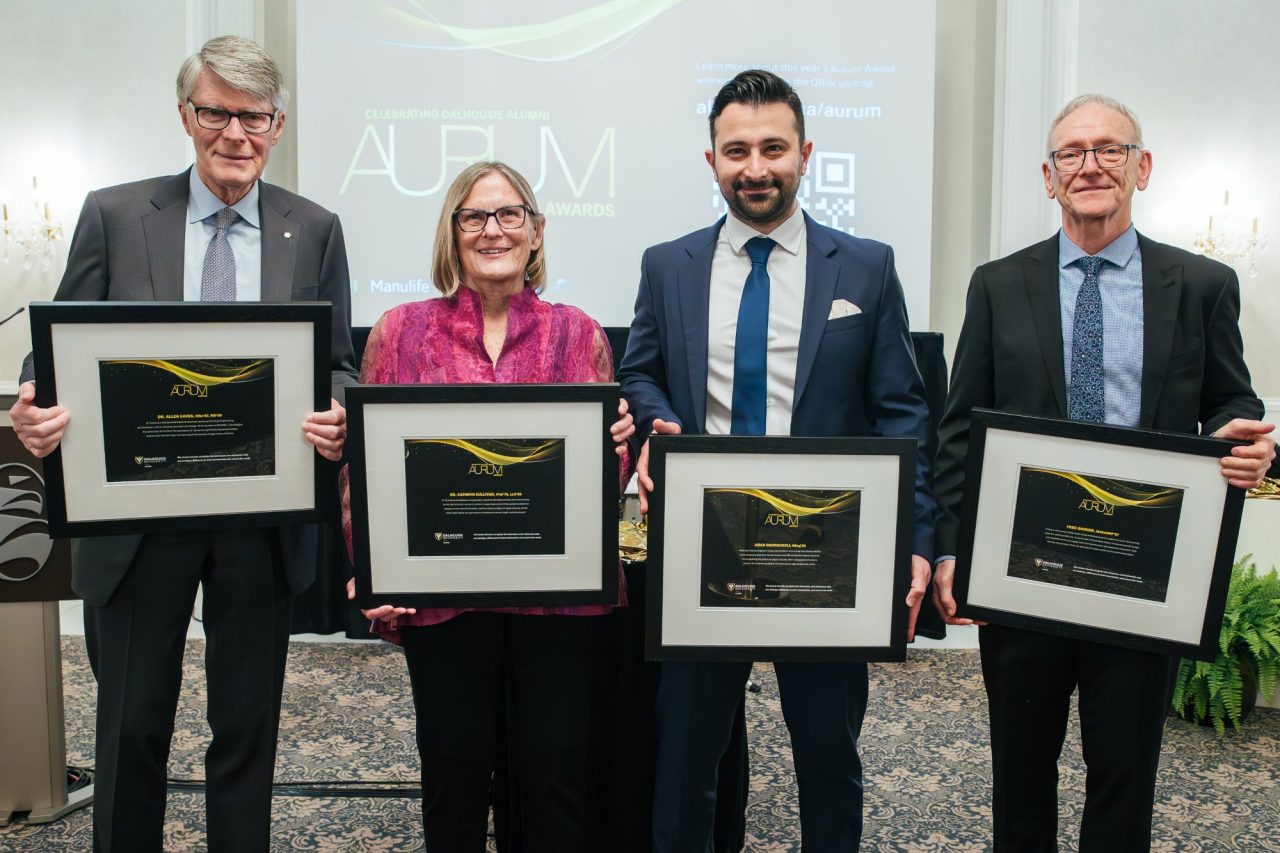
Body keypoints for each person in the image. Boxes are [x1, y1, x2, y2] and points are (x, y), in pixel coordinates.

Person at [8, 36, 357, 853]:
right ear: (185, 115)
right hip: (136, 521)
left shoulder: (314, 230)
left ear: (276, 126)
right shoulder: (115, 214)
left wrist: (337, 411)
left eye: (253, 117)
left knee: (246, 727)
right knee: (131, 725)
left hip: (260, 524)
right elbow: (56, 344)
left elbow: (337, 360)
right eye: (216, 112)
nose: (234, 133)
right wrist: (34, 397)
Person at [932, 94, 1276, 852]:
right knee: (1020, 771)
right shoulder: (997, 285)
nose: (1091, 164)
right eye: (1072, 153)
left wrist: (1243, 442)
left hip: (1140, 580)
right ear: (1049, 179)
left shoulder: (1204, 285)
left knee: (1124, 773)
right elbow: (959, 429)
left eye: (1109, 149)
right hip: (1022, 576)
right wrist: (955, 551)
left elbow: (1232, 400)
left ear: (1141, 167)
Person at [617, 69, 936, 851]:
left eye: (772, 148)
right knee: (686, 753)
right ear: (712, 160)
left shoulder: (864, 266)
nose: (754, 166)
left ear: (805, 154)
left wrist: (917, 542)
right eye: (737, 150)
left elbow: (903, 411)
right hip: (702, 544)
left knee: (828, 753)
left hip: (825, 548)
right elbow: (642, 369)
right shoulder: (669, 264)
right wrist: (656, 418)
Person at [343, 160, 635, 852]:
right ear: (453, 233)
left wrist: (615, 446)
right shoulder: (401, 331)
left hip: (559, 603)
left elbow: (597, 476)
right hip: (442, 601)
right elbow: (367, 469)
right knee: (453, 773)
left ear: (537, 232)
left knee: (555, 779)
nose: (492, 229)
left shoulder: (578, 333)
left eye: (509, 215)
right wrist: (374, 569)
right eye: (474, 216)